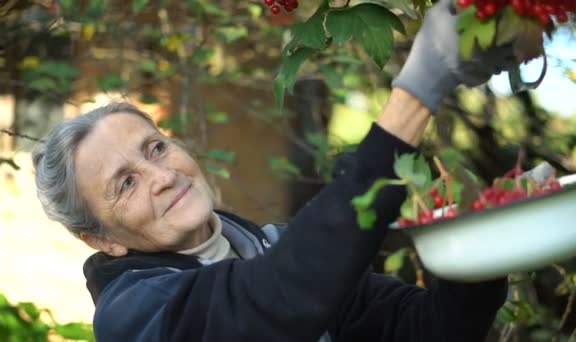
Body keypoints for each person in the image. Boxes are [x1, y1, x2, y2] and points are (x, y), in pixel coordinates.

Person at [33, 0, 522, 341]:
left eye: (156, 148)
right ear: (102, 240)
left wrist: (483, 242)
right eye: (126, 183)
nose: (161, 175)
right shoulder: (134, 316)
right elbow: (270, 305)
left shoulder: (274, 246)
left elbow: (426, 330)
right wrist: (416, 93)